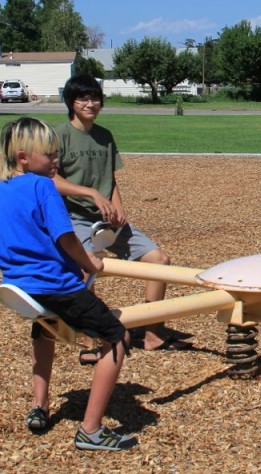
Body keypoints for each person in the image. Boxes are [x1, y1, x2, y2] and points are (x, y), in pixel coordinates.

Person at [0, 117, 137, 452]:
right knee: (116, 336)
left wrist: (20, 272)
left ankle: (40, 405)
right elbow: (66, 237)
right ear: (24, 157)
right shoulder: (43, 186)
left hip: (20, 287)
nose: (57, 161)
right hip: (53, 285)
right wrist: (89, 262)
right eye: (50, 155)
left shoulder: (0, 189)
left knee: (46, 327)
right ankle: (91, 431)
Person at [53, 74, 190, 351]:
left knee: (159, 259)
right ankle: (93, 339)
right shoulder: (59, 136)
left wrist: (118, 208)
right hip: (76, 218)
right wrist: (91, 194)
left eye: (95, 98)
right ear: (71, 102)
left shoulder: (104, 136)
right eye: (83, 98)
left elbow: (110, 179)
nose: (90, 104)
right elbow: (52, 181)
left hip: (108, 219)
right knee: (86, 268)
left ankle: (153, 333)